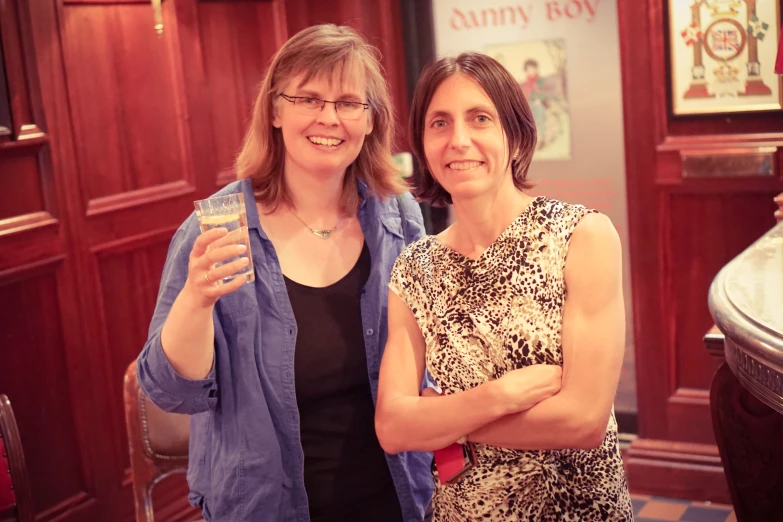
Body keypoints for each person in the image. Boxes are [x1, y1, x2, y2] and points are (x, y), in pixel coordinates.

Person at [137, 24, 433, 522]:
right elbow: (172, 391)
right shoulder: (216, 226)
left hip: (396, 495)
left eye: (348, 103)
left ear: (369, 120)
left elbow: (429, 359)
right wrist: (196, 299)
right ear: (275, 110)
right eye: (309, 99)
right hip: (265, 505)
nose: (329, 118)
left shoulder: (397, 216)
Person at [375, 52, 633, 520]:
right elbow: (394, 428)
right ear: (424, 146)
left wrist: (444, 422)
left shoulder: (580, 236)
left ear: (514, 137)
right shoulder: (414, 268)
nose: (459, 140)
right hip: (464, 510)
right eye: (439, 123)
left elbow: (582, 421)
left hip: (575, 509)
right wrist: (498, 397)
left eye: (480, 118)